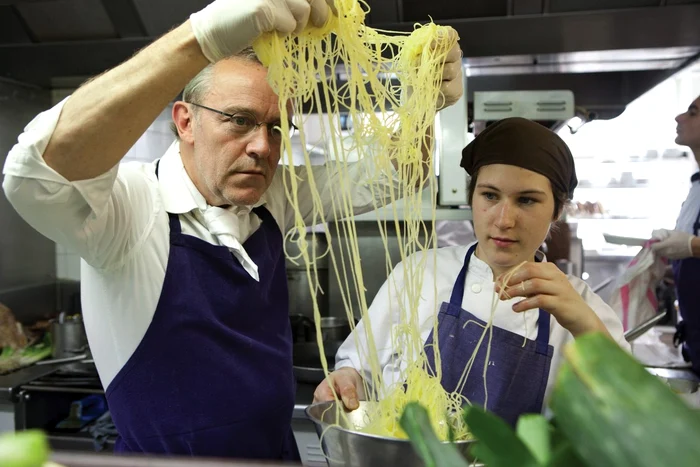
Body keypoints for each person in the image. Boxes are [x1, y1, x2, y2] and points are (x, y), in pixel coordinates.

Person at [1, 0, 464, 460]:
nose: (262, 147)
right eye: (240, 121)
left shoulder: (271, 197)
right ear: (185, 121)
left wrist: (423, 100)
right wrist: (198, 37)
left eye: (277, 127)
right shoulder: (130, 207)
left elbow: (398, 172)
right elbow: (35, 177)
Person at [313, 118, 629, 425]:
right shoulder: (420, 273)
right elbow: (359, 372)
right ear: (472, 197)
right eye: (490, 196)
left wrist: (586, 326)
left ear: (558, 209)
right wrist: (345, 382)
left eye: (527, 200)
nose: (504, 219)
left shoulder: (580, 306)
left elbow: (630, 415)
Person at [650, 95, 700, 376]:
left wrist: (691, 246)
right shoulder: (696, 187)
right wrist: (674, 270)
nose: (679, 118)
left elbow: (693, 246)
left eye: (692, 113)